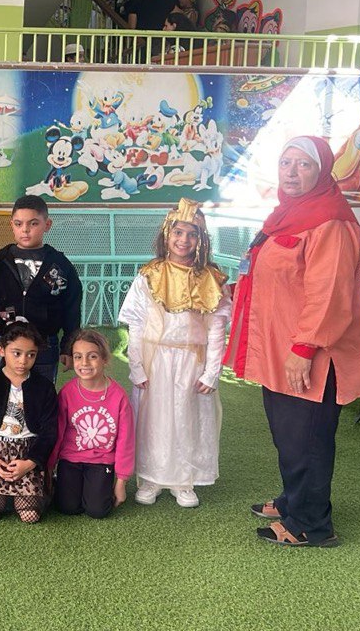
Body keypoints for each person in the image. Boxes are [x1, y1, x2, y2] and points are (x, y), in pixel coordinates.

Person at [225, 136, 360, 547]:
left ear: (322, 170)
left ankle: (311, 524)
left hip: (310, 354)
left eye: (303, 164)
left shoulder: (331, 221)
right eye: (285, 162)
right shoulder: (287, 215)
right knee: (289, 434)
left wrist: (303, 349)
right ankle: (293, 501)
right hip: (282, 347)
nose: (291, 172)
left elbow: (330, 293)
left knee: (307, 438)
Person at [119, 199, 230, 508]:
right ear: (167, 235)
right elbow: (136, 323)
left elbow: (216, 329)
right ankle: (151, 477)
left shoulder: (210, 279)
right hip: (155, 360)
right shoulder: (149, 275)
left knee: (186, 418)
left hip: (191, 361)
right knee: (153, 420)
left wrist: (212, 371)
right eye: (178, 232)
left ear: (201, 239)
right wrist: (137, 366)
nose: (184, 240)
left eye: (192, 234)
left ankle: (183, 479)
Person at [0, 194, 81, 383]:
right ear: (11, 225)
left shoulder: (60, 264)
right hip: (3, 340)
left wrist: (68, 346)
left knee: (41, 393)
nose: (25, 230)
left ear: (47, 225)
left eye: (33, 223)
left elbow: (71, 307)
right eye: (18, 224)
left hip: (44, 344)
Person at [0, 323, 58, 523]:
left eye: (31, 355)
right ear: (2, 350)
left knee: (30, 515)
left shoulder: (44, 387)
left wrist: (30, 463)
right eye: (16, 353)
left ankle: (44, 483)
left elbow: (49, 430)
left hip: (28, 453)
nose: (23, 361)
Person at [49, 329, 135, 519]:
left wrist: (121, 482)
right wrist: (49, 467)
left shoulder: (118, 397)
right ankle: (62, 482)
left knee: (97, 510)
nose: (84, 363)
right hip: (71, 458)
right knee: (67, 507)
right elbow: (58, 432)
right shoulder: (67, 392)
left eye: (92, 356)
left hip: (101, 461)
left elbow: (126, 441)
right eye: (78, 357)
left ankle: (97, 486)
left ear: (104, 359)